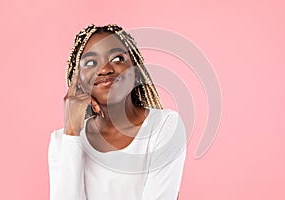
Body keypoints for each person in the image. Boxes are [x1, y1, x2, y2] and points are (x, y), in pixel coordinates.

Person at [48, 24, 187, 200]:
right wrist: (72, 133)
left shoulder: (164, 126)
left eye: (118, 59)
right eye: (91, 62)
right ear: (79, 81)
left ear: (136, 72)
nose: (105, 69)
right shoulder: (61, 141)